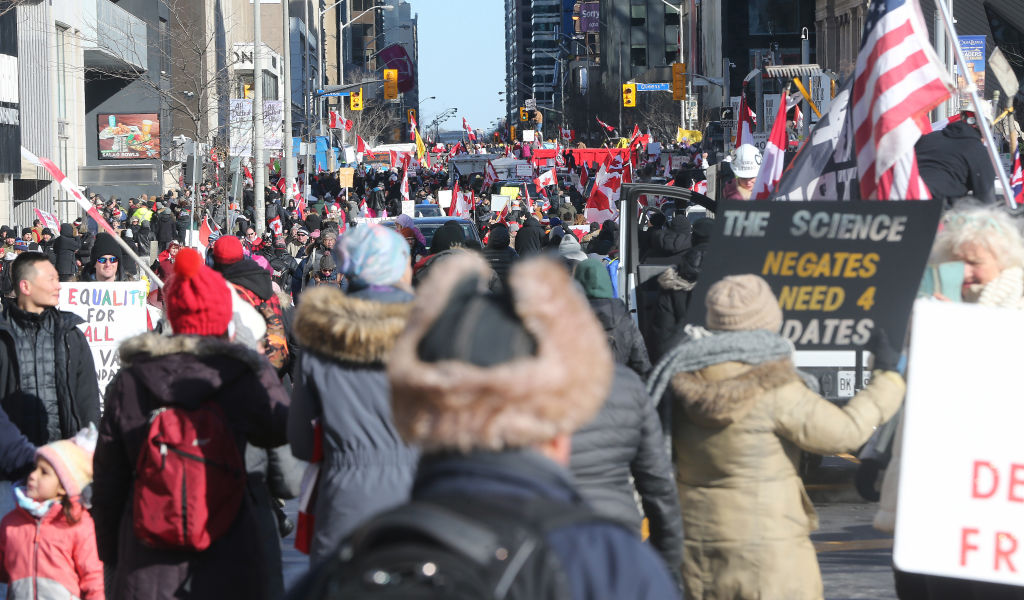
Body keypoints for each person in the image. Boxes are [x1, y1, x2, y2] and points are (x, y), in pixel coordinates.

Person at [295, 253, 679, 598]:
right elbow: (658, 484)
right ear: (557, 430)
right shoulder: (613, 567)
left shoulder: (343, 568)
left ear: (417, 416)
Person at [646, 274, 905, 600]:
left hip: (698, 547)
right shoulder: (774, 385)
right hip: (769, 547)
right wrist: (886, 377)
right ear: (768, 319)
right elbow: (846, 431)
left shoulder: (676, 376)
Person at [92, 247, 291, 600]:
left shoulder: (131, 381)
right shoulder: (250, 376)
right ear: (225, 316)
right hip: (239, 544)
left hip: (149, 550)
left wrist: (112, 553)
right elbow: (290, 477)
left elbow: (108, 481)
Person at [877, 206, 1024, 600]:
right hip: (934, 492)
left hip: (994, 504)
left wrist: (954, 336)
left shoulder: (1018, 304)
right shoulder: (934, 304)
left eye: (975, 263)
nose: (966, 273)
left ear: (1005, 260)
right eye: (956, 263)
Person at [288, 224, 419, 565]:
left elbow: (301, 442)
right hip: (427, 498)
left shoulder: (321, 339)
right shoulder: (438, 328)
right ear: (398, 267)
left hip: (345, 501)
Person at [0, 253, 99, 446]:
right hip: (10, 461)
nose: (58, 285)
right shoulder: (4, 336)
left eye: (58, 278)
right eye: (50, 279)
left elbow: (88, 400)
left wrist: (86, 448)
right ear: (25, 286)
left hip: (64, 458)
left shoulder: (70, 335)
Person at [0, 427, 104, 600]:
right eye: (35, 468)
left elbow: (93, 577)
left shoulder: (77, 523)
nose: (33, 476)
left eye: (44, 472)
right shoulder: (11, 522)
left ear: (64, 486)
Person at [212, 236, 290, 374]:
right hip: (267, 375)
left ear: (215, 260)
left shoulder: (217, 292)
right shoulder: (267, 289)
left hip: (229, 374)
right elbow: (279, 332)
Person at [574, 257, 651, 377]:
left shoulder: (568, 320)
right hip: (620, 387)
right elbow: (641, 362)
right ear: (606, 282)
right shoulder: (624, 318)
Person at [915, 114, 996, 206]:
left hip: (902, 199)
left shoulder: (928, 138)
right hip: (936, 208)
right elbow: (986, 199)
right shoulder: (978, 150)